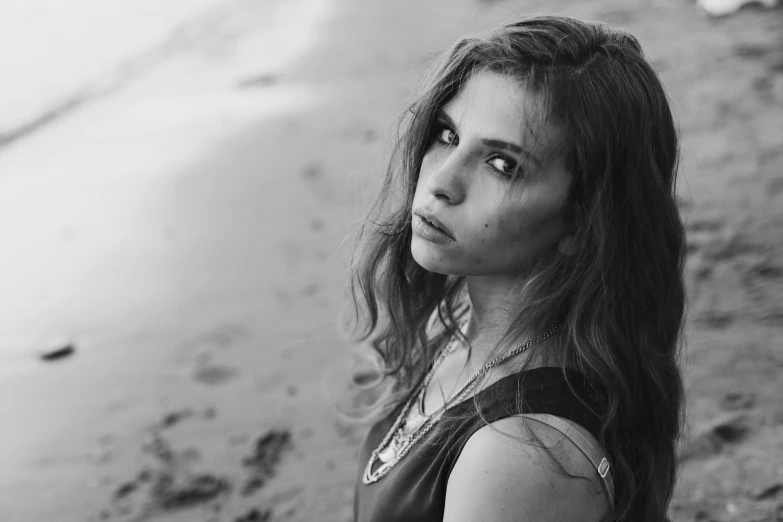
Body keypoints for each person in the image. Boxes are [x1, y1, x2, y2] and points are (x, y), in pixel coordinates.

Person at [338, 14, 686, 522]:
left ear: (585, 222)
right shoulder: (465, 325)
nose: (441, 180)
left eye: (503, 164)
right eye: (448, 135)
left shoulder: (519, 457)